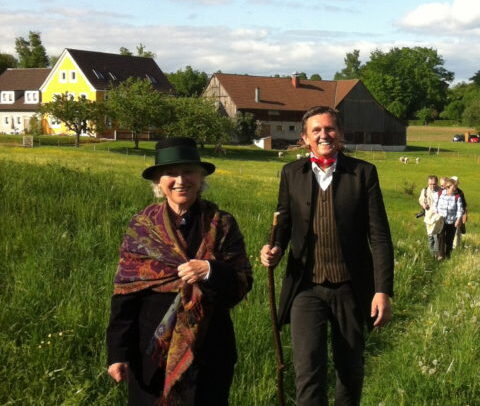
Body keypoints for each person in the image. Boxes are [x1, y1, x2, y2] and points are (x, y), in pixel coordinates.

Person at [260, 106, 394, 406]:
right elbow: (282, 224)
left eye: (330, 129)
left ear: (341, 134)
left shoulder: (363, 173)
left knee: (350, 369)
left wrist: (382, 290)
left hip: (350, 286)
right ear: (305, 138)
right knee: (308, 370)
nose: (324, 135)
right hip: (305, 288)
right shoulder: (291, 173)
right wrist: (275, 249)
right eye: (316, 130)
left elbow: (380, 237)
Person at [106, 137, 253, 405]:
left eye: (188, 171)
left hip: (210, 350)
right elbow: (125, 296)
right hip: (150, 351)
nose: (180, 180)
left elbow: (241, 283)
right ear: (159, 182)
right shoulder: (142, 228)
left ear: (200, 177)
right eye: (170, 173)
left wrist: (210, 270)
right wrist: (118, 353)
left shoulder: (222, 224)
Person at [435, 177, 464, 260]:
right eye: (453, 187)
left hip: (452, 221)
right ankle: (440, 255)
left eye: (456, 187)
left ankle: (448, 256)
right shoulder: (440, 194)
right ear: (448, 187)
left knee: (449, 240)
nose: (455, 189)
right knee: (440, 237)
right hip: (441, 220)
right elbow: (435, 204)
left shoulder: (457, 197)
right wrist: (436, 214)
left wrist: (458, 220)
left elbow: (460, 209)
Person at [418, 175, 443, 258]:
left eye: (434, 184)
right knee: (430, 237)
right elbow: (421, 200)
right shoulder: (425, 191)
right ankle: (432, 256)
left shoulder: (441, 191)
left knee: (436, 236)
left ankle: (438, 255)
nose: (432, 186)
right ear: (428, 183)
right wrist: (423, 205)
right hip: (428, 217)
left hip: (438, 217)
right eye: (430, 184)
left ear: (437, 183)